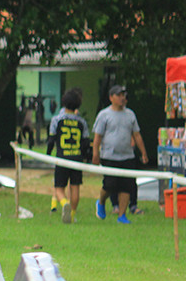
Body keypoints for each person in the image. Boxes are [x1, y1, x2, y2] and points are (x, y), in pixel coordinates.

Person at [93, 85, 149, 224]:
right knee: (110, 184)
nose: (122, 98)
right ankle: (101, 202)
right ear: (111, 98)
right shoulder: (104, 115)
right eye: (119, 95)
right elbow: (98, 136)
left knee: (127, 186)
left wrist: (143, 153)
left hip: (127, 156)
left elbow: (136, 134)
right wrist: (95, 153)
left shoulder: (130, 114)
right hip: (109, 156)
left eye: (123, 95)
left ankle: (122, 216)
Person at [46, 88, 89, 223]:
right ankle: (72, 215)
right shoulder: (82, 122)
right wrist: (83, 156)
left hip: (62, 158)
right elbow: (86, 142)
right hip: (76, 158)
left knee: (59, 188)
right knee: (75, 187)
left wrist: (48, 154)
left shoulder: (56, 120)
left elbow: (51, 140)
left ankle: (64, 203)